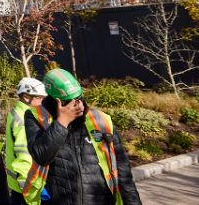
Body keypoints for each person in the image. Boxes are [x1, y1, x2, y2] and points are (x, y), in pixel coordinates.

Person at [25, 69, 142, 205]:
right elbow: (41, 156)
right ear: (55, 100)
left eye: (79, 98)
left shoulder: (100, 119)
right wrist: (62, 122)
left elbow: (122, 169)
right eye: (69, 101)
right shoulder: (37, 116)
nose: (77, 105)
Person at [5, 78, 48, 204]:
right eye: (39, 98)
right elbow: (24, 157)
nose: (42, 102)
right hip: (27, 188)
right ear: (25, 97)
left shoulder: (19, 112)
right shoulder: (24, 121)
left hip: (20, 185)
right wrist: (30, 191)